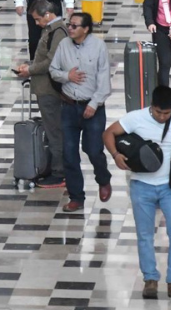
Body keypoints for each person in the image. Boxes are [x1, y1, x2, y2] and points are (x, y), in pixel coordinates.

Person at [103, 85, 171, 302]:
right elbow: (108, 133)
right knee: (145, 235)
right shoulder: (135, 118)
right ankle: (150, 279)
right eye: (158, 112)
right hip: (141, 186)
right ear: (151, 106)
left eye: (166, 113)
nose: (162, 117)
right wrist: (115, 155)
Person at [49, 11, 113, 212]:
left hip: (93, 108)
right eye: (70, 24)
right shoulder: (63, 45)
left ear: (86, 29)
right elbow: (53, 70)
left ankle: (103, 179)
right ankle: (77, 196)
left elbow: (104, 82)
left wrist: (93, 104)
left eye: (75, 26)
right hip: (68, 106)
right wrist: (66, 76)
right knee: (69, 153)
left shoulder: (99, 47)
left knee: (93, 150)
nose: (70, 28)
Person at [16, 0, 68, 189]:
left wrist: (30, 70)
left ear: (48, 14)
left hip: (50, 90)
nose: (36, 24)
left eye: (38, 19)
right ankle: (53, 167)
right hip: (43, 88)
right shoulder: (51, 30)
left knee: (54, 131)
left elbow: (51, 62)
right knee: (50, 129)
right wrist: (29, 66)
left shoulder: (58, 31)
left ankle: (59, 173)